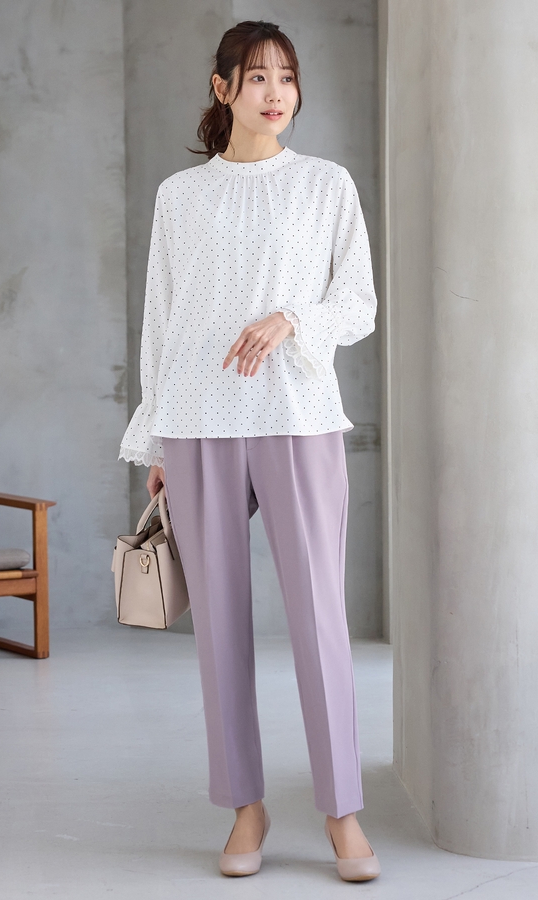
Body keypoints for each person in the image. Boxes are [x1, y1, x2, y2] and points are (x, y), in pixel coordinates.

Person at [119, 19, 380, 882]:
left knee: (319, 621)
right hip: (198, 422)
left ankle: (342, 812)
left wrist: (292, 319)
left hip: (298, 415)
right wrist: (157, 436)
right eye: (258, 76)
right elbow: (161, 320)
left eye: (287, 77)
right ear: (222, 86)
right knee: (220, 630)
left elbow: (359, 304)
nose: (276, 92)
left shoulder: (325, 184)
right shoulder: (179, 196)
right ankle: (245, 808)